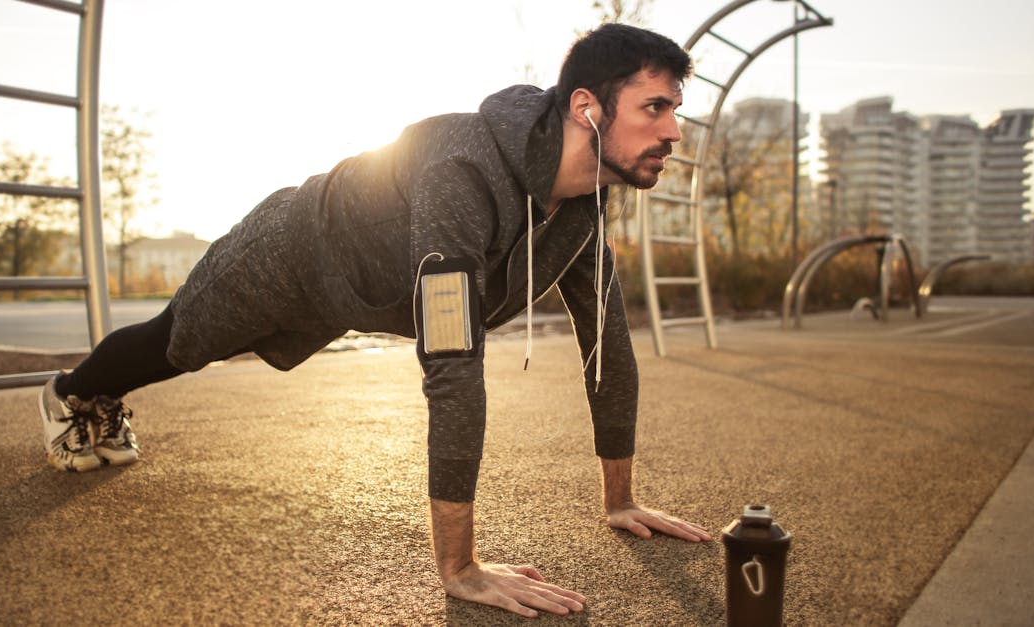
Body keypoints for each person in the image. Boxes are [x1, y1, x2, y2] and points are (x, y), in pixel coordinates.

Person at [37, 23, 714, 618]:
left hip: (361, 289)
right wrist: (461, 567)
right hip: (290, 250)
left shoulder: (584, 211)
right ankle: (72, 390)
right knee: (178, 343)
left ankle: (93, 394)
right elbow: (452, 359)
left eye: (676, 110)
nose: (674, 131)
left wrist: (619, 499)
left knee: (184, 343)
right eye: (654, 107)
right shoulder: (462, 171)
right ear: (587, 108)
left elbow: (609, 343)